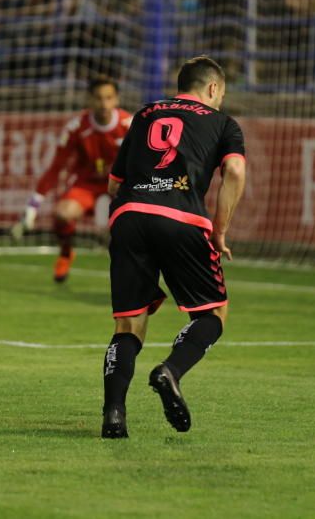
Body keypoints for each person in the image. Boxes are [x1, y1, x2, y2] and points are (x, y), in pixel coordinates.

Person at [100, 55, 246, 439]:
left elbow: (114, 184)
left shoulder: (145, 114)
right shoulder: (222, 123)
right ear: (213, 88)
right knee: (213, 312)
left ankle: (114, 413)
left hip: (130, 214)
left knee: (129, 323)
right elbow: (234, 171)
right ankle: (171, 371)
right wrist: (220, 230)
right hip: (183, 218)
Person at [13, 76, 131, 282]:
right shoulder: (76, 127)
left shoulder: (130, 125)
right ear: (89, 100)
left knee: (134, 226)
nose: (104, 104)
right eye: (98, 98)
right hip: (87, 184)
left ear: (116, 100)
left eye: (109, 98)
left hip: (120, 185)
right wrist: (33, 205)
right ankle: (66, 252)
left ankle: (137, 272)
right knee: (62, 214)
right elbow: (55, 168)